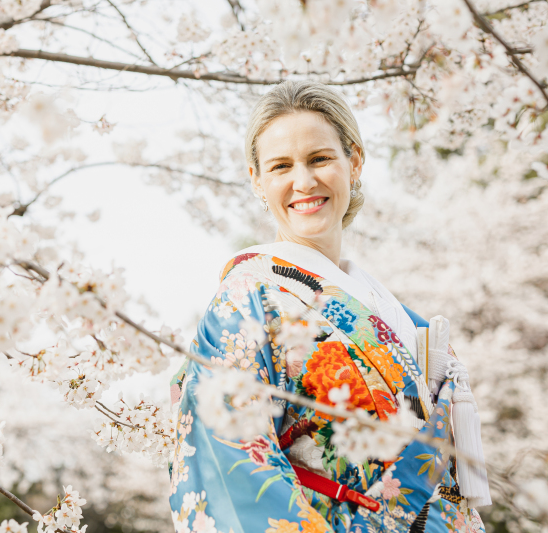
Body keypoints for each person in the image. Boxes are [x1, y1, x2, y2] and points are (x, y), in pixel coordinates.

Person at [168, 81, 490, 533]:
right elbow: (227, 472)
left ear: (353, 161)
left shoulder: (395, 312)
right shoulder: (246, 303)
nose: (304, 181)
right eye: (282, 166)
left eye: (319, 159)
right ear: (257, 180)